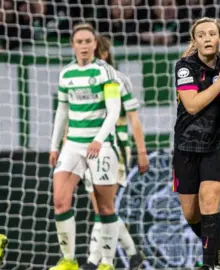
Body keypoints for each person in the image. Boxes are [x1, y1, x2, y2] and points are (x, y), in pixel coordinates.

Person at [49, 23, 122, 270]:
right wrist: (54, 145)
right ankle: (69, 259)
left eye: (88, 41)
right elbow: (62, 111)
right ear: (73, 45)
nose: (83, 46)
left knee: (104, 207)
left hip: (100, 146)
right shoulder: (66, 74)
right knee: (60, 199)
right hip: (72, 145)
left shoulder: (105, 71)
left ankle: (107, 263)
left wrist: (99, 139)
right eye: (79, 42)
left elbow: (114, 111)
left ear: (94, 44)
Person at [172, 17, 220, 270]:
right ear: (195, 41)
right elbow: (191, 105)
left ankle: (210, 264)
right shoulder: (184, 66)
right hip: (186, 145)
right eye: (201, 35)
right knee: (190, 214)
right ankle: (216, 244)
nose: (207, 38)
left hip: (216, 145)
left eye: (212, 33)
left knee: (209, 201)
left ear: (219, 38)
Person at [78, 35, 149, 270]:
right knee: (102, 208)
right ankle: (133, 255)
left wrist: (141, 152)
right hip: (86, 149)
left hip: (114, 148)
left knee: (104, 208)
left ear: (104, 53)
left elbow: (134, 120)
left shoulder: (119, 80)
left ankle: (94, 261)